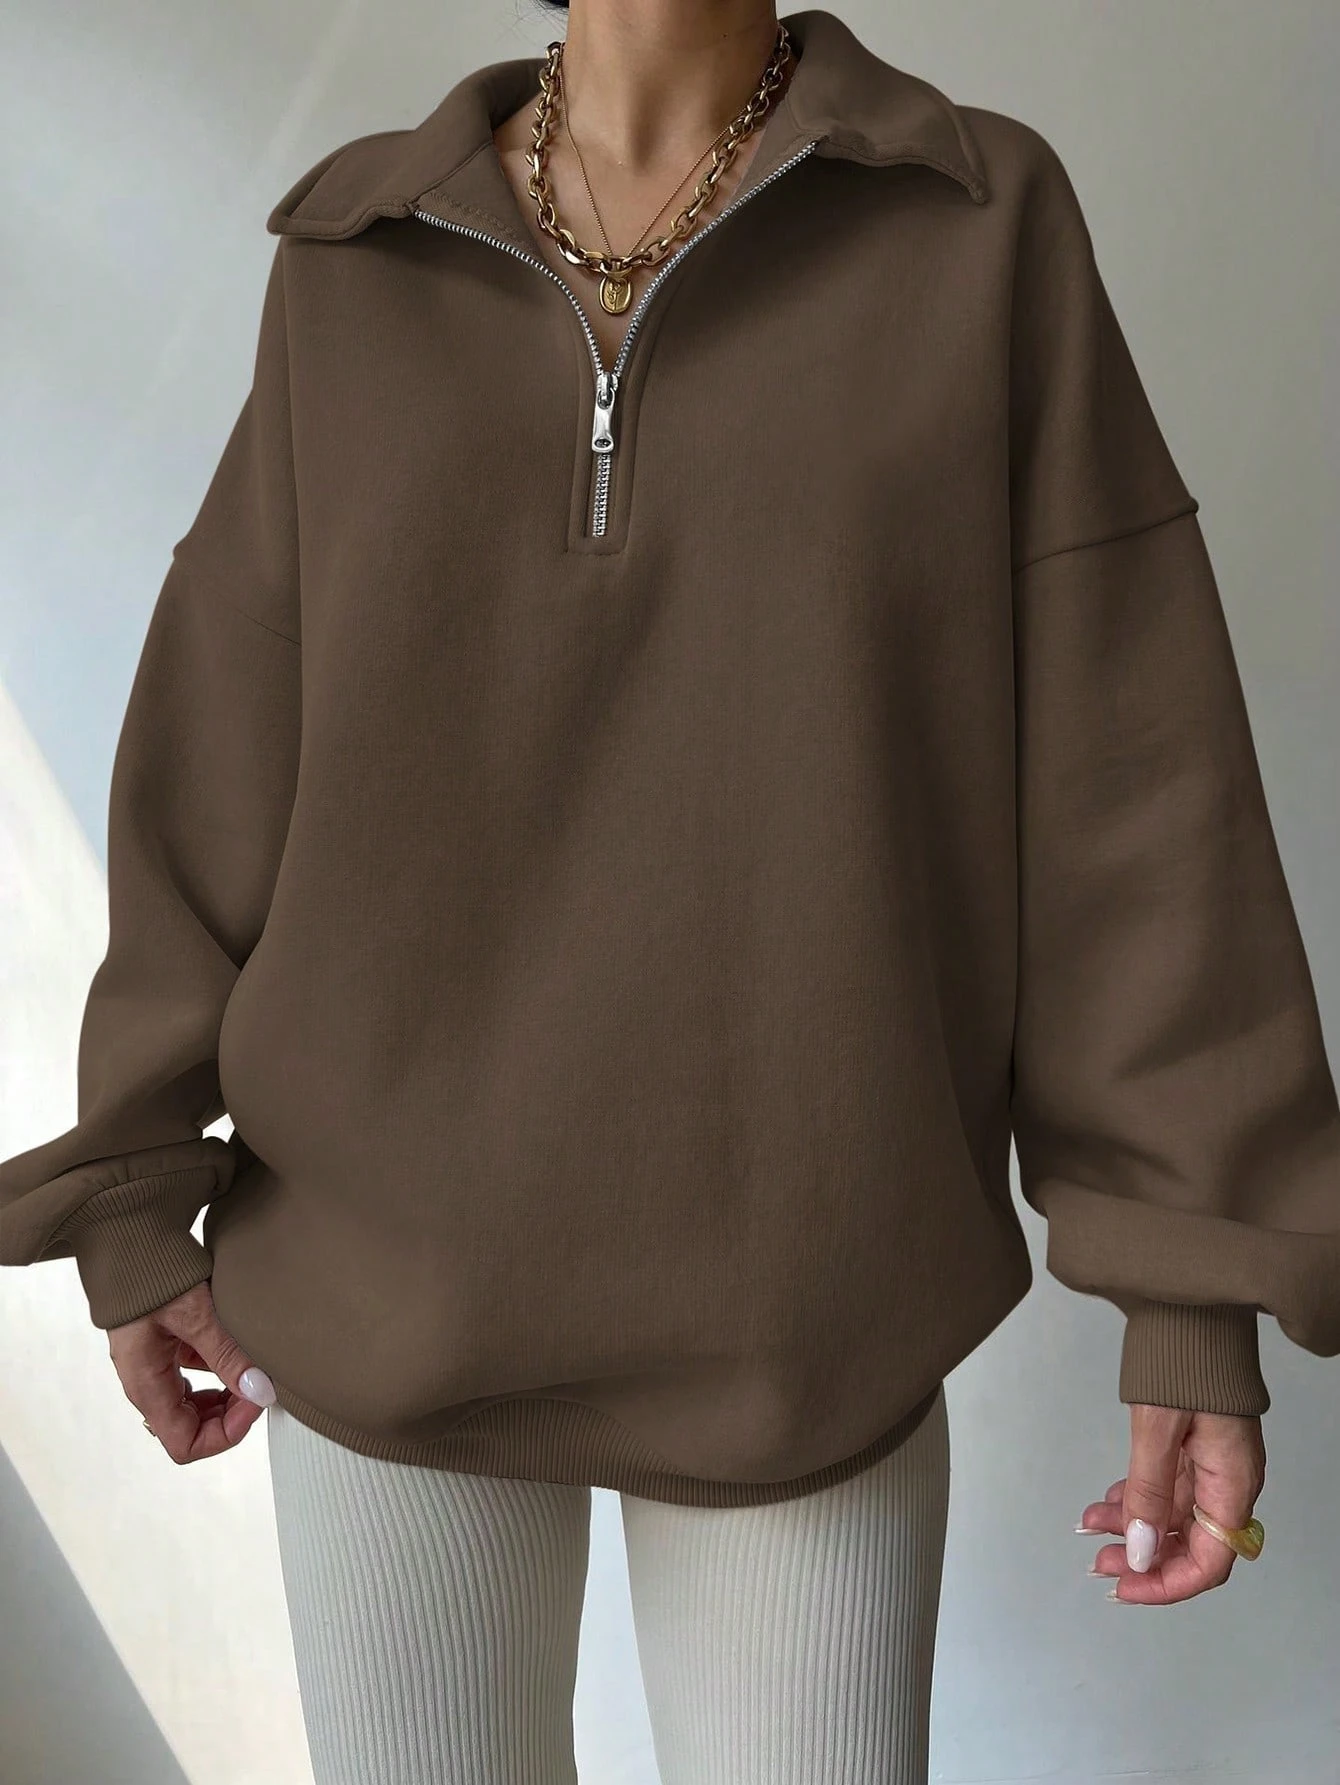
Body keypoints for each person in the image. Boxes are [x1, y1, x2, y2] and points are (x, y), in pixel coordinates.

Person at [3, 2, 1337, 1780]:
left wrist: (1192, 1283)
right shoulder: (355, 255)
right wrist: (130, 1188)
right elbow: (218, 749)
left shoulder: (974, 225)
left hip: (812, 1316)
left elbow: (1132, 772)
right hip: (370, 1289)